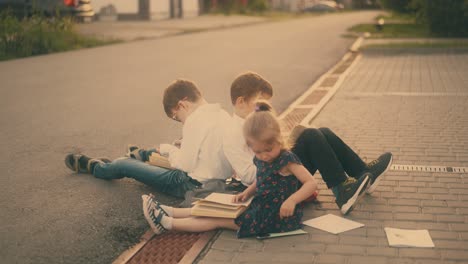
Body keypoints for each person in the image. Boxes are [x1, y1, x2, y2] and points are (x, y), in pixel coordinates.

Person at [225, 72, 393, 215]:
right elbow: (248, 175)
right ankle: (342, 191)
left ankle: (363, 172)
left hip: (280, 173)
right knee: (311, 136)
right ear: (241, 101)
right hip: (275, 186)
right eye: (257, 104)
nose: (261, 109)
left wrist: (282, 149)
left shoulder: (253, 122)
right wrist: (279, 158)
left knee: (323, 131)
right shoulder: (233, 133)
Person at [141, 102, 318, 238]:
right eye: (257, 151)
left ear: (279, 139)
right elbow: (265, 178)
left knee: (216, 219)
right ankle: (169, 211)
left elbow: (311, 183)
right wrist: (248, 192)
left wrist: (292, 200)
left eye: (268, 150)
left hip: (275, 218)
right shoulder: (262, 157)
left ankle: (167, 223)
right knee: (213, 209)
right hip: (260, 207)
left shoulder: (287, 159)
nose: (264, 156)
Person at [64, 79, 233, 199]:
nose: (179, 121)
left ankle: (98, 167)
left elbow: (184, 165)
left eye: (176, 117)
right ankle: (140, 155)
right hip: (215, 179)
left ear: (183, 104)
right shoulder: (222, 114)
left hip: (190, 183)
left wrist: (169, 149)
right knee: (170, 148)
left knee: (124, 164)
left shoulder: (194, 121)